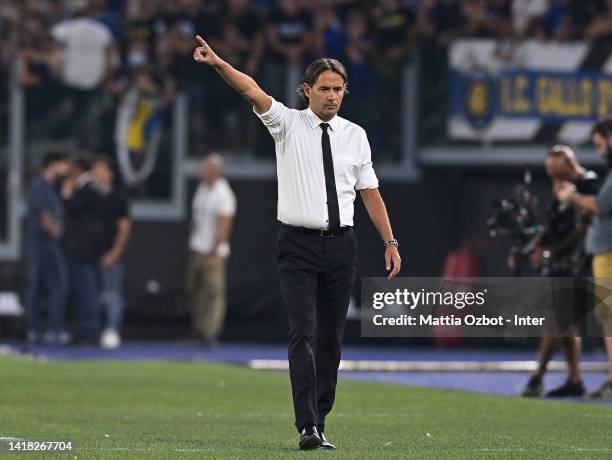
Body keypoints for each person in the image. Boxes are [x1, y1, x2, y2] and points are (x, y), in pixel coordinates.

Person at [193, 35, 401, 450]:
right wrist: (219, 63)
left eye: (337, 89)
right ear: (307, 90)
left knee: (331, 338)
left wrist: (389, 240)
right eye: (323, 88)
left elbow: (370, 192)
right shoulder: (287, 123)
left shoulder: (355, 136)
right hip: (298, 245)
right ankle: (307, 426)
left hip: (342, 245)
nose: (331, 96)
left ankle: (320, 418)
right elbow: (252, 89)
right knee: (302, 332)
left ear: (345, 91)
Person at [522, 145, 599, 398]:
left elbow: (584, 229)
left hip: (579, 263)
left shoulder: (588, 186)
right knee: (565, 324)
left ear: (569, 163)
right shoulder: (561, 190)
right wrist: (537, 246)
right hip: (561, 263)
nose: (554, 177)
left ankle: (538, 377)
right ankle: (574, 379)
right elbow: (554, 224)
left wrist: (554, 251)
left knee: (555, 320)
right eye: (550, 172)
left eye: (557, 170)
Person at [556, 118, 612, 399]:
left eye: (600, 141)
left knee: (609, 318)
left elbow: (601, 207)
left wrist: (571, 197)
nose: (598, 147)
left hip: (609, 254)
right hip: (603, 253)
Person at [187, 154, 236, 346]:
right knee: (196, 291)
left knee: (213, 294)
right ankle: (199, 329)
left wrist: (214, 253)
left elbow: (224, 225)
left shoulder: (223, 194)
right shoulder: (202, 189)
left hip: (212, 251)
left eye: (205, 168)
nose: (201, 171)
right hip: (197, 247)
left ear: (215, 171)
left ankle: (210, 333)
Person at [25, 151, 70, 345]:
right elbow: (42, 214)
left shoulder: (52, 187)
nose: (66, 168)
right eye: (64, 163)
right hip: (42, 243)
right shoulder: (40, 186)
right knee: (49, 286)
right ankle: (45, 330)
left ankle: (45, 330)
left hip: (46, 244)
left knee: (49, 286)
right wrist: (56, 231)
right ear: (52, 164)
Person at [91, 155, 132, 349]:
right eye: (95, 169)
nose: (97, 173)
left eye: (101, 169)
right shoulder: (89, 195)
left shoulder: (118, 197)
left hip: (110, 254)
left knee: (112, 293)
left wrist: (114, 253)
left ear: (110, 173)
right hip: (90, 255)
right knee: (94, 294)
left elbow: (124, 228)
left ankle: (111, 329)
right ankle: (95, 329)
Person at [61, 154, 101, 344]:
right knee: (79, 292)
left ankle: (89, 332)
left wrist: (67, 192)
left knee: (86, 291)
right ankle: (82, 331)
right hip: (77, 249)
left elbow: (72, 207)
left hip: (83, 250)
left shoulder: (89, 189)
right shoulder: (86, 188)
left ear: (78, 169)